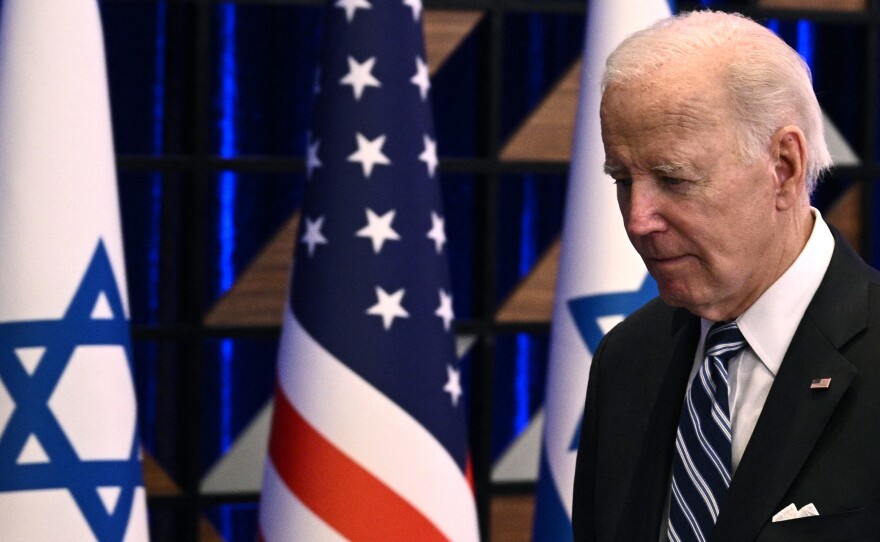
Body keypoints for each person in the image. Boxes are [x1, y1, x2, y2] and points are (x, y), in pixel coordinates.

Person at [571, 10, 880, 542]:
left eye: (674, 179)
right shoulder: (626, 358)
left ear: (783, 166)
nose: (638, 218)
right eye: (622, 179)